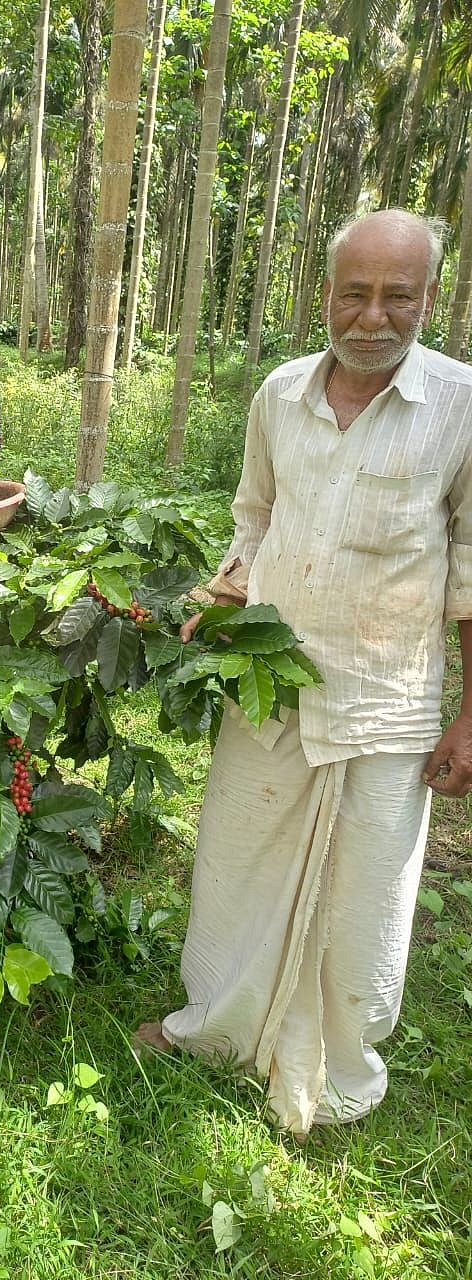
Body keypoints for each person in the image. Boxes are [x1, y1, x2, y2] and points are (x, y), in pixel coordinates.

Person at [133, 208, 472, 1137]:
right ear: (326, 295)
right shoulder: (280, 394)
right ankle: (215, 1028)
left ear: (427, 299)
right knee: (238, 860)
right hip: (269, 680)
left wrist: (471, 716)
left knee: (367, 893)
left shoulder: (462, 406)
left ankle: (343, 1066)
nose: (373, 315)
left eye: (397, 295)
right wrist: (222, 596)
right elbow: (256, 517)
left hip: (387, 697)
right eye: (354, 293)